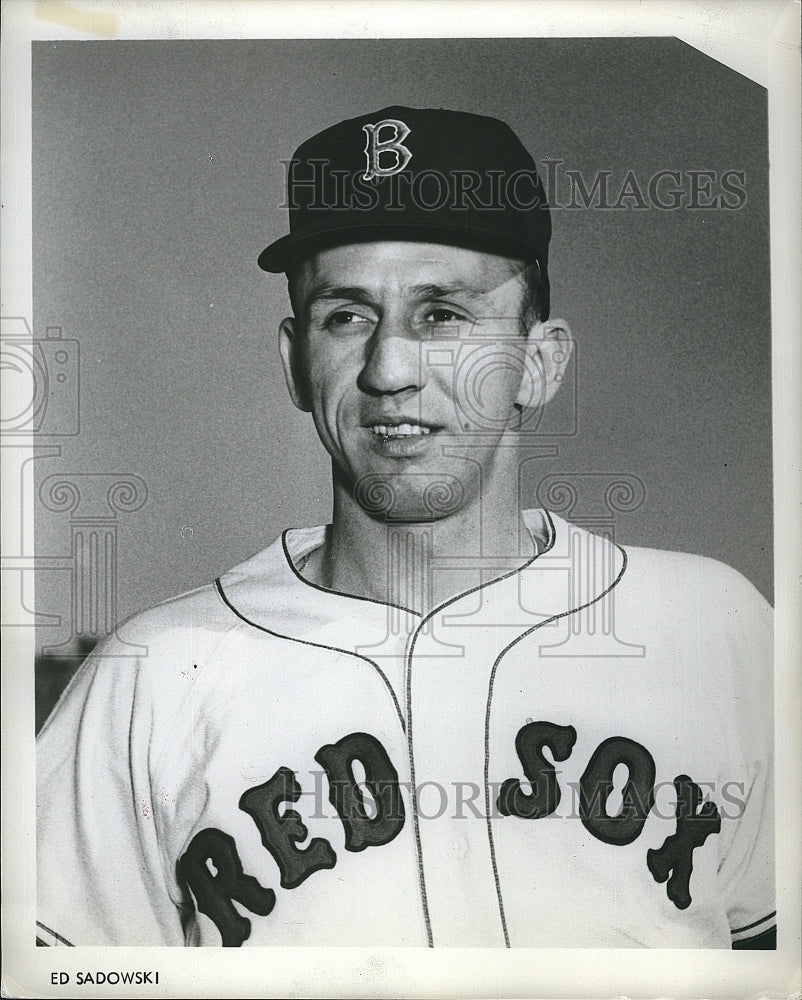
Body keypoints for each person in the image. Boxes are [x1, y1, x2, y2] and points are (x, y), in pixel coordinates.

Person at [36, 106, 775, 949]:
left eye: (443, 316)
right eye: (346, 316)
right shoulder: (154, 677)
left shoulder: (715, 631)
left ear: (539, 361)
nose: (390, 369)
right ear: (294, 363)